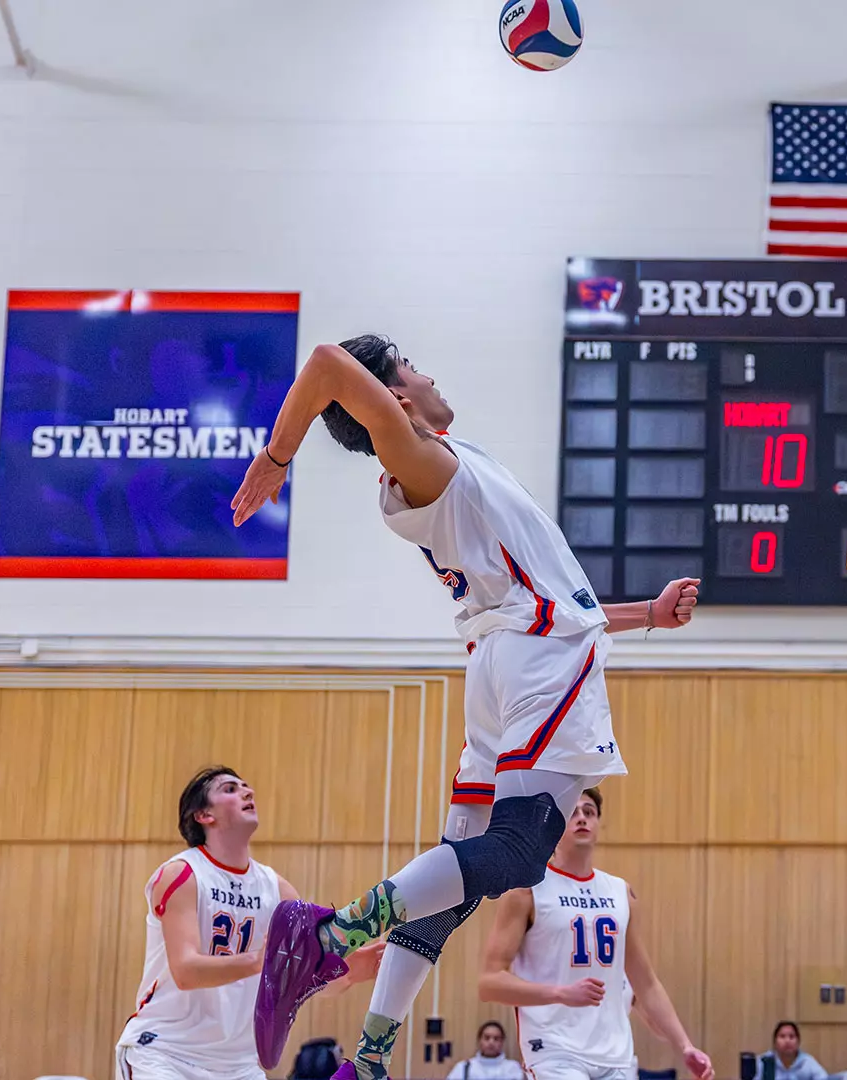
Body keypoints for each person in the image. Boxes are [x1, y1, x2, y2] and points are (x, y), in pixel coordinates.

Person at [232, 335, 701, 1077]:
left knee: (455, 886)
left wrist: (646, 613)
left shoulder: (450, 464)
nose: (428, 370)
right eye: (411, 366)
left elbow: (548, 601)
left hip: (505, 660)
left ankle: (371, 1059)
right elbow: (325, 362)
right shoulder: (422, 460)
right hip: (538, 663)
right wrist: (278, 457)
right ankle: (324, 940)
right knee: (517, 853)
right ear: (397, 399)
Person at [118, 767, 383, 1080]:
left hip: (240, 1065)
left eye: (246, 787)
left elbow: (299, 977)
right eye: (230, 789)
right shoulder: (182, 874)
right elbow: (186, 971)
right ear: (203, 814)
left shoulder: (279, 890)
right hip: (166, 1055)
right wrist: (261, 960)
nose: (247, 792)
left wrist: (350, 971)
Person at [477, 787, 712, 1080]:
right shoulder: (528, 889)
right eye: (572, 813)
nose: (582, 819)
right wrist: (560, 993)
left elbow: (646, 983)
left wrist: (685, 1045)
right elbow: (489, 983)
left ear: (599, 823)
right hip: (553, 1048)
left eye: (589, 812)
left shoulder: (620, 892)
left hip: (615, 1052)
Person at [445, 1022, 522, 1080]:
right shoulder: (463, 1067)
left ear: (502, 1042)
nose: (491, 1043)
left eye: (496, 1038)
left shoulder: (513, 1068)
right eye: (487, 1038)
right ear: (479, 1040)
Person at [762, 1023, 827, 1080]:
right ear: (775, 1042)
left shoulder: (807, 1062)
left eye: (791, 1037)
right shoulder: (764, 1062)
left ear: (798, 1042)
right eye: (782, 1036)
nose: (787, 1041)